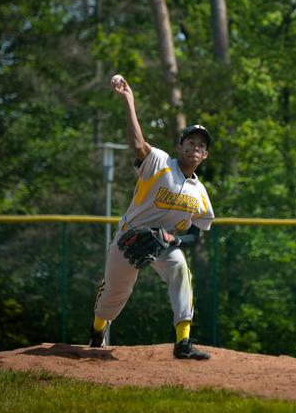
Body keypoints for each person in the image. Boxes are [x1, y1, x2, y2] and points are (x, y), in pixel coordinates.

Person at [88, 74, 216, 360]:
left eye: (201, 146)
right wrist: (129, 101)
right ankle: (98, 330)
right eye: (191, 142)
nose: (195, 148)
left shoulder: (200, 193)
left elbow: (195, 234)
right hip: (129, 236)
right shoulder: (159, 162)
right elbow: (137, 143)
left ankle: (183, 342)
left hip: (162, 244)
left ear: (205, 156)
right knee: (115, 296)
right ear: (180, 146)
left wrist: (173, 238)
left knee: (180, 270)